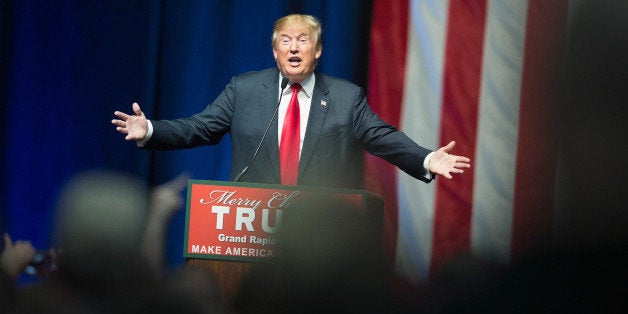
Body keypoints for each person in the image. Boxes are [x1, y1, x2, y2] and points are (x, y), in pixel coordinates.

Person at [111, 13, 470, 189]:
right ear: (274, 50)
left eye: (303, 40)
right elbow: (200, 128)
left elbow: (382, 137)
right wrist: (150, 129)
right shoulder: (244, 89)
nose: (294, 47)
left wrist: (425, 157)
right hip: (247, 230)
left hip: (311, 238)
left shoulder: (346, 97)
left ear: (318, 51)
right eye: (285, 40)